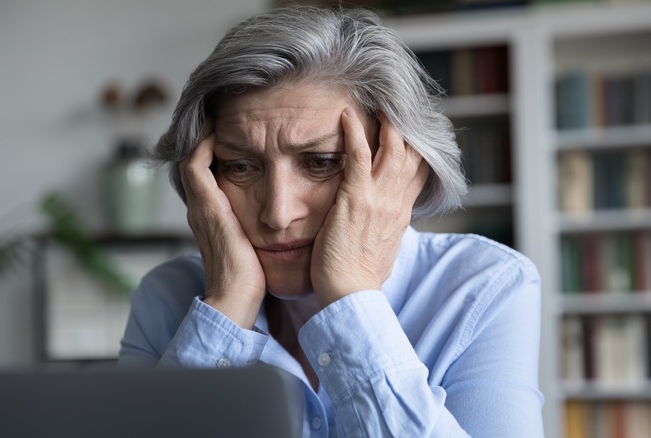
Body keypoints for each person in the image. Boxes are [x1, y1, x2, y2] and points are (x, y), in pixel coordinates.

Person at [119, 5, 544, 437]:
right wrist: (227, 306)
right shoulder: (166, 298)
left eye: (321, 162)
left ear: (399, 165)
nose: (278, 213)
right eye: (240, 167)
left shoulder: (484, 287)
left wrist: (351, 295)